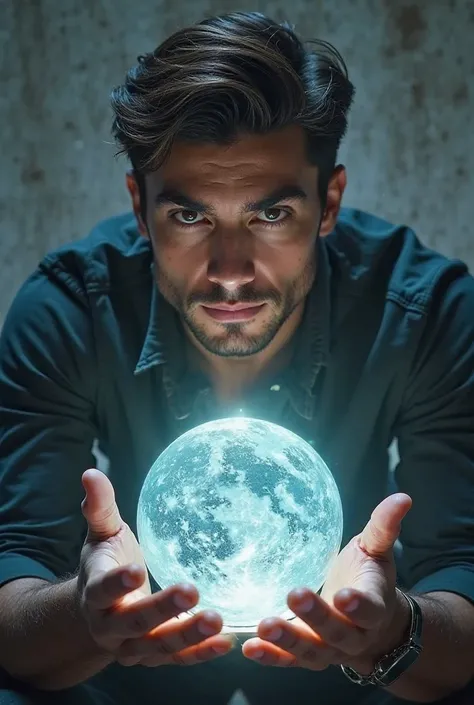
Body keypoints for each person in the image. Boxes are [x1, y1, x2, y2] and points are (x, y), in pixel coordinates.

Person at [0, 10, 473, 705]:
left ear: (329, 201)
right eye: (189, 216)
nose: (229, 270)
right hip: (129, 676)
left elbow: (460, 586)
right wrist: (86, 613)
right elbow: (14, 596)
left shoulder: (426, 310)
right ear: (140, 206)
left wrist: (391, 628)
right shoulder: (70, 308)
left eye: (270, 215)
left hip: (351, 673)